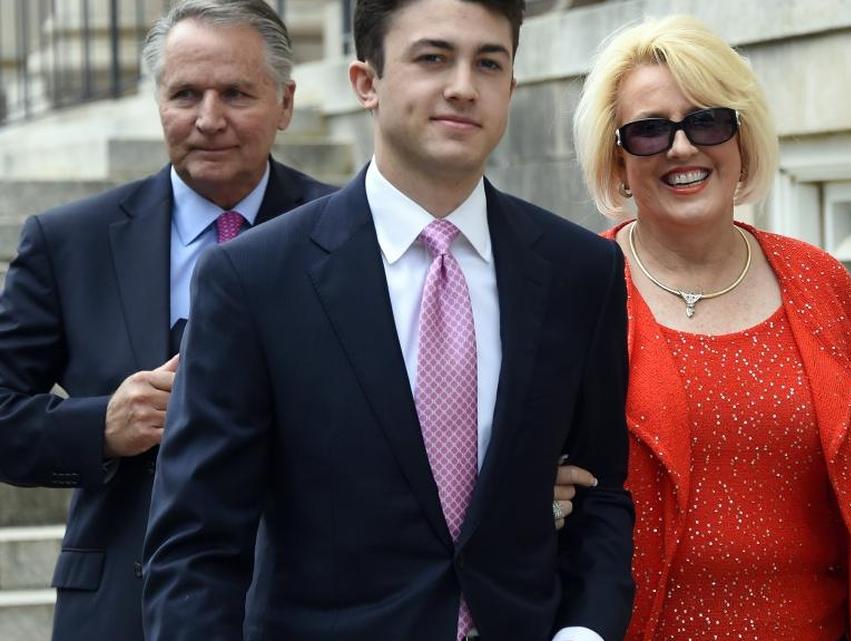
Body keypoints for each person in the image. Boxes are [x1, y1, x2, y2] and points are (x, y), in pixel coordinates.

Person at [141, 1, 634, 640]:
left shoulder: (580, 271)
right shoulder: (254, 279)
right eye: (432, 58)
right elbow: (197, 543)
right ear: (366, 83)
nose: (462, 85)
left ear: (510, 87)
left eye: (488, 63)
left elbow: (601, 495)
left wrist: (583, 633)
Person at [559, 15, 851, 641]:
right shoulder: (577, 295)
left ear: (742, 139)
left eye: (707, 121)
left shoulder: (822, 286)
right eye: (649, 131)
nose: (682, 148)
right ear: (616, 160)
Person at [0, 2, 334, 640]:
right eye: (185, 94)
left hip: (305, 603)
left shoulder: (350, 232)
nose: (209, 119)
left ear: (286, 103)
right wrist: (101, 425)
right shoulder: (69, 242)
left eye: (236, 93)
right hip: (121, 607)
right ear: (158, 101)